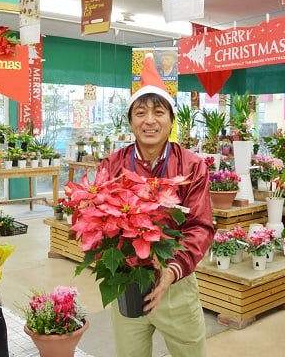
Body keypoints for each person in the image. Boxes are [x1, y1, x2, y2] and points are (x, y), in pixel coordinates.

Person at [100, 52, 214, 357]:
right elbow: (95, 219)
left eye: (158, 112)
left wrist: (172, 269)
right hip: (126, 281)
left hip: (175, 282)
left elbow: (200, 226)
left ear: (171, 120)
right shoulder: (112, 165)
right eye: (140, 112)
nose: (149, 120)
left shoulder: (191, 166)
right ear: (130, 121)